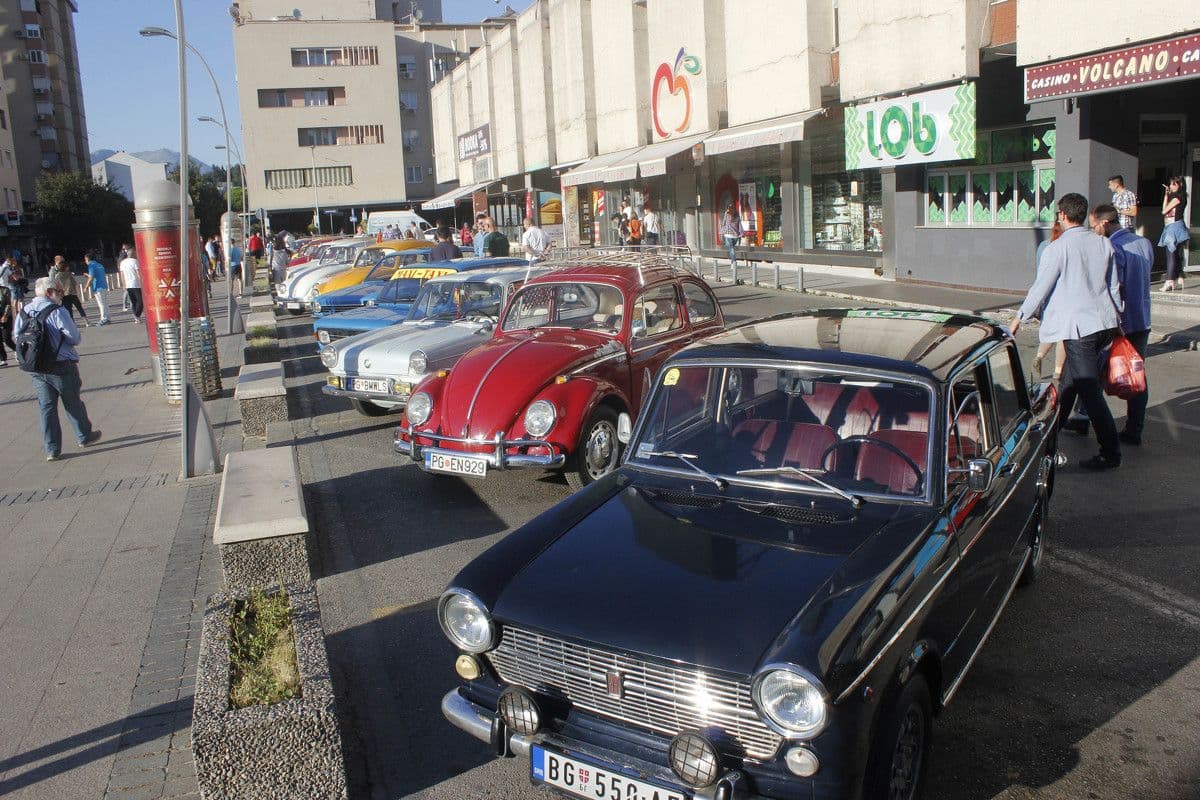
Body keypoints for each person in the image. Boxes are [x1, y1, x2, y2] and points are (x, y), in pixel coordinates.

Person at [1011, 192, 1123, 470]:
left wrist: (1019, 317)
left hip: (1079, 328)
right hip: (1103, 324)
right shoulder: (1103, 244)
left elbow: (1041, 286)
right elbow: (1113, 288)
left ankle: (1111, 453)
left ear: (1062, 214)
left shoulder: (1057, 248)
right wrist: (1118, 317)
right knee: (1071, 384)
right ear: (1084, 215)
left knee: (1088, 389)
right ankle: (1048, 438)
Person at [1084, 204, 1154, 446]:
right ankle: (1135, 428)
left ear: (1104, 223)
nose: (1093, 231)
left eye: (1093, 226)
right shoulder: (1143, 243)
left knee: (1093, 371)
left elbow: (1114, 286)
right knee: (1137, 374)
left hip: (1118, 322)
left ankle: (1084, 418)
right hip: (1142, 319)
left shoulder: (1113, 247)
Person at [13, 275, 102, 460]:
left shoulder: (25, 311)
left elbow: (16, 337)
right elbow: (74, 337)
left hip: (36, 368)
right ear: (49, 292)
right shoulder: (57, 311)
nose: (61, 295)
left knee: (46, 408)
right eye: (59, 292)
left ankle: (52, 449)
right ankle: (84, 435)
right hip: (61, 365)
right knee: (72, 402)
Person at [1031, 221, 1065, 379]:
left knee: (1050, 331)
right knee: (1063, 336)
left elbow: (1039, 272)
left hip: (1046, 297)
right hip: (1063, 296)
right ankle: (1058, 371)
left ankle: (1039, 356)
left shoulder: (1044, 245)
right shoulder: (1064, 248)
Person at [1159, 176, 1188, 292]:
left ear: (1180, 185)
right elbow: (1164, 209)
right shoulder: (1173, 196)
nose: (1171, 186)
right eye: (1170, 184)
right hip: (1171, 226)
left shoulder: (1179, 197)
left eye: (1173, 184)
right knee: (1174, 255)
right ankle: (1179, 277)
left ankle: (1169, 281)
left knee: (1170, 254)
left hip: (1174, 227)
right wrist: (1166, 195)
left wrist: (1169, 197)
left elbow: (1164, 211)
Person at [53, 256, 89, 326]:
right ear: (66, 267)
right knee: (79, 307)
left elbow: (56, 285)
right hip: (72, 293)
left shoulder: (57, 276)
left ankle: (73, 323)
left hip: (64, 295)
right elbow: (74, 283)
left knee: (69, 310)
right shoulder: (70, 274)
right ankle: (86, 321)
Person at [83, 250, 110, 326]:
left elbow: (91, 278)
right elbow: (97, 275)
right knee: (105, 303)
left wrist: (86, 287)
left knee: (101, 304)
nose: (85, 261)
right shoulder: (99, 265)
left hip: (98, 287)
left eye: (85, 260)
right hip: (104, 285)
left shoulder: (91, 265)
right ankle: (108, 318)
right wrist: (88, 275)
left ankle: (103, 319)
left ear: (88, 259)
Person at [119, 248, 144, 323]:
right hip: (136, 284)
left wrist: (124, 285)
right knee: (140, 301)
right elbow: (138, 273)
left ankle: (137, 317)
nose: (136, 254)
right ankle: (137, 315)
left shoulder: (122, 263)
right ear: (133, 254)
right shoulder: (135, 261)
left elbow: (122, 275)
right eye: (135, 253)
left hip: (128, 284)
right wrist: (142, 282)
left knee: (133, 301)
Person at [720, 203, 742, 269]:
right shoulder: (737, 215)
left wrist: (725, 213)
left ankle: (734, 262)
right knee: (732, 248)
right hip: (735, 235)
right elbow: (739, 224)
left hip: (728, 234)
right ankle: (732, 262)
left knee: (731, 249)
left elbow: (723, 223)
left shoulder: (727, 214)